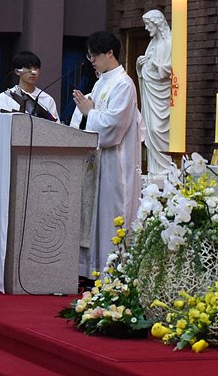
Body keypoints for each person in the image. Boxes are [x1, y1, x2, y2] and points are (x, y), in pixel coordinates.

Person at [72, 31, 143, 277]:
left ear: (110, 53)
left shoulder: (123, 84)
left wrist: (89, 112)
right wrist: (84, 113)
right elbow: (88, 115)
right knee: (95, 218)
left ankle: (112, 273)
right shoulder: (101, 82)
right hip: (97, 163)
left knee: (111, 217)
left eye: (94, 55)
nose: (91, 60)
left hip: (115, 165)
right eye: (89, 56)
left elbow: (113, 126)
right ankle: (93, 271)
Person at [136, 9, 172, 179]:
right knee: (150, 129)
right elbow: (146, 68)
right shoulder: (152, 44)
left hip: (162, 94)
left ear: (157, 23)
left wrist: (156, 65)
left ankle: (165, 169)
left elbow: (171, 69)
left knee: (159, 129)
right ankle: (154, 170)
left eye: (148, 24)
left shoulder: (169, 43)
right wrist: (139, 66)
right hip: (150, 92)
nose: (146, 28)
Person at [0, 51, 59, 122]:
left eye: (36, 68)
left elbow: (56, 126)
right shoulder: (5, 97)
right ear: (17, 71)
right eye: (28, 68)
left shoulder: (47, 99)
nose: (33, 72)